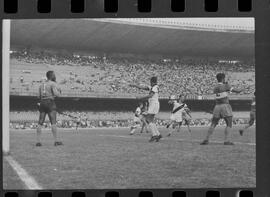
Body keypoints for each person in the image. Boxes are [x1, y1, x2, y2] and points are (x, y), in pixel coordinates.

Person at [200, 73, 242, 145]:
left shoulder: (215, 87)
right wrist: (242, 89)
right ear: (223, 78)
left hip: (217, 106)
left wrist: (226, 85)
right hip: (225, 106)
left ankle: (206, 139)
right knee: (229, 123)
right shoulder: (226, 86)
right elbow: (237, 91)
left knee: (213, 124)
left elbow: (221, 90)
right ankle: (226, 140)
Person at [130, 77, 162, 142]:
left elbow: (150, 95)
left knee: (148, 119)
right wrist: (135, 86)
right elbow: (144, 88)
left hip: (153, 104)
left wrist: (141, 98)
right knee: (151, 120)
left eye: (150, 82)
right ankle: (158, 134)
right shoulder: (153, 87)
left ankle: (154, 135)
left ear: (152, 82)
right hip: (154, 104)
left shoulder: (155, 87)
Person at [36, 71, 63, 147]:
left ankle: (38, 142)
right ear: (51, 76)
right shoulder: (52, 83)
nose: (55, 76)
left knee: (40, 122)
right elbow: (56, 94)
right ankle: (56, 141)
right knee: (53, 122)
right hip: (50, 103)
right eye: (54, 75)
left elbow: (39, 96)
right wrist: (60, 92)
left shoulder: (41, 85)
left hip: (42, 103)